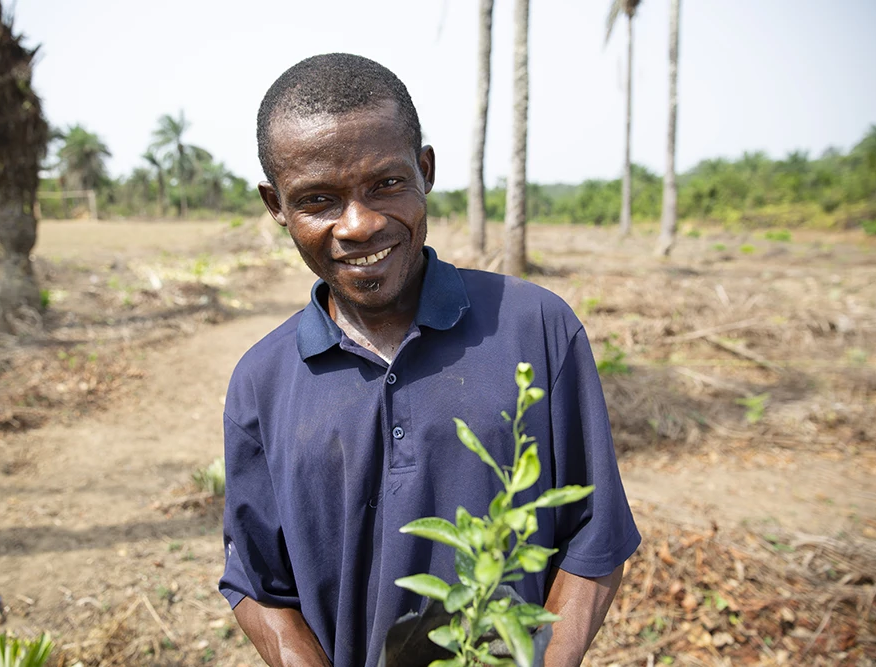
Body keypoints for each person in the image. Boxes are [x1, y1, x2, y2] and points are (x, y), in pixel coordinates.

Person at [219, 53, 640, 667]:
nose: (359, 225)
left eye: (386, 184)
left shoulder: (535, 328)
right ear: (275, 204)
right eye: (318, 200)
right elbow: (258, 583)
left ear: (426, 170)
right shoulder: (261, 381)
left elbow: (594, 538)